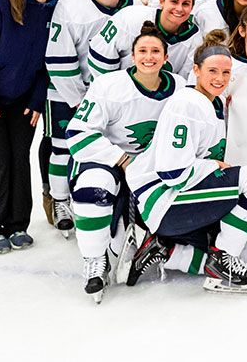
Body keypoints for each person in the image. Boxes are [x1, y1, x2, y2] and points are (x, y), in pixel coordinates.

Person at [125, 31, 247, 293]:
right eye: (212, 71)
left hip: (176, 200)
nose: (220, 79)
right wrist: (213, 166)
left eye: (226, 73)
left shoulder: (209, 102)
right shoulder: (187, 104)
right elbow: (173, 173)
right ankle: (222, 262)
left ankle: (169, 251)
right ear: (195, 70)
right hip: (164, 201)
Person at [66, 22, 186, 302]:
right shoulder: (109, 85)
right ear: (132, 57)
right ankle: (94, 262)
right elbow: (77, 133)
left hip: (151, 169)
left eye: (155, 51)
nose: (149, 56)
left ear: (165, 58)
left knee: (125, 246)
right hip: (108, 161)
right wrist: (121, 159)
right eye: (142, 51)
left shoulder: (179, 88)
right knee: (94, 187)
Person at [45, 0, 140, 237]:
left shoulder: (134, 5)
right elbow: (58, 56)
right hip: (68, 90)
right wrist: (80, 100)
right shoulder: (70, 5)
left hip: (112, 95)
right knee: (63, 146)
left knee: (110, 148)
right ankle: (60, 201)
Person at [0, 0, 58, 254]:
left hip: (23, 100)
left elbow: (49, 62)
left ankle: (17, 224)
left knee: (19, 158)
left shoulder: (54, 11)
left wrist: (38, 100)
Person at [88, 0, 203, 79]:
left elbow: (182, 81)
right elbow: (101, 52)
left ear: (192, 7)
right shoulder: (132, 17)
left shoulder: (195, 39)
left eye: (186, 4)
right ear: (161, 1)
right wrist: (110, 89)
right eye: (174, 1)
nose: (179, 8)